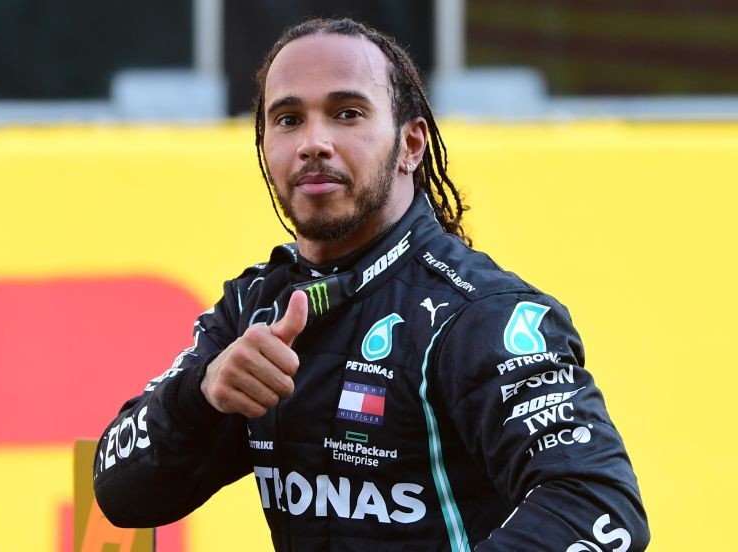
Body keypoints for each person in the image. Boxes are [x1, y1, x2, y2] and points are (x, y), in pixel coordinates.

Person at [93, 18, 649, 551]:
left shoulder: (480, 315)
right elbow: (116, 494)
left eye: (347, 113)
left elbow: (600, 506)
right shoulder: (252, 307)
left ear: (410, 145)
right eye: (288, 119)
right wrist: (200, 397)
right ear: (264, 147)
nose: (314, 141)